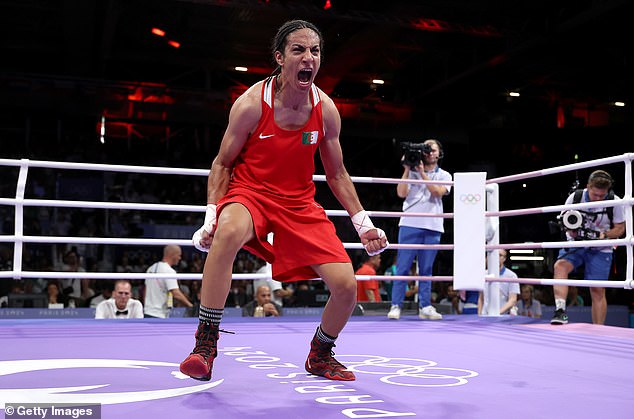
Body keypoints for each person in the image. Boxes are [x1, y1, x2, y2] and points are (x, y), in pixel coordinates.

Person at [179, 19, 388, 383]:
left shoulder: (326, 110)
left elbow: (337, 174)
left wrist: (363, 223)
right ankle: (205, 344)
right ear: (280, 57)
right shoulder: (249, 105)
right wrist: (211, 213)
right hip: (251, 193)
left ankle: (320, 354)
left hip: (299, 204)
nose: (309, 58)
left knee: (345, 287)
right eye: (299, 50)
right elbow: (222, 163)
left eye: (315, 51)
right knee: (227, 234)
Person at [387, 139, 451, 320]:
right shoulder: (411, 172)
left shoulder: (445, 175)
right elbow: (401, 193)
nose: (430, 152)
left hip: (433, 225)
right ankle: (395, 305)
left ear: (439, 153)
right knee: (403, 267)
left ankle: (425, 306)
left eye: (433, 149)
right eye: (426, 149)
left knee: (427, 268)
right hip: (409, 223)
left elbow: (438, 192)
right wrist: (407, 168)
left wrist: (423, 174)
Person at [551, 170, 625, 325]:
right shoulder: (576, 197)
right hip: (577, 243)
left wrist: (603, 235)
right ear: (588, 187)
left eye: (601, 196)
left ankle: (598, 329)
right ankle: (560, 312)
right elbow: (563, 220)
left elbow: (620, 229)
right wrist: (570, 229)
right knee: (560, 267)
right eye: (595, 195)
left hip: (600, 248)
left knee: (597, 290)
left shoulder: (614, 201)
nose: (598, 198)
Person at [144, 245, 193, 318]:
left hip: (147, 312)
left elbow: (145, 291)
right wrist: (190, 305)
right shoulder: (169, 271)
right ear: (173, 255)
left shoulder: (151, 268)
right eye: (179, 255)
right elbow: (176, 293)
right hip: (159, 314)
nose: (180, 258)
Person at [478, 249, 520, 316]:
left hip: (503, 316)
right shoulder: (484, 274)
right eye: (495, 255)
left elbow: (512, 300)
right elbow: (481, 298)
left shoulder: (511, 276)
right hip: (485, 316)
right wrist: (479, 315)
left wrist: (497, 313)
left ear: (504, 258)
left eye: (500, 255)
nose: (496, 257)